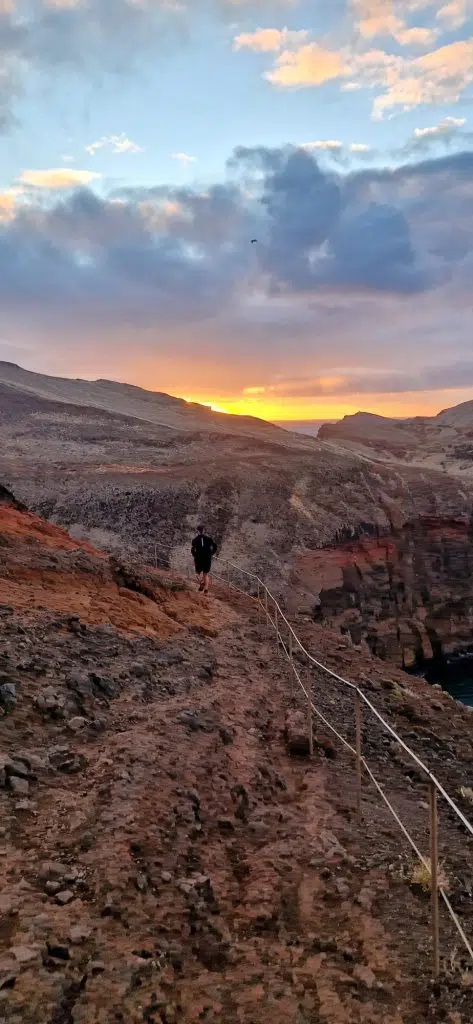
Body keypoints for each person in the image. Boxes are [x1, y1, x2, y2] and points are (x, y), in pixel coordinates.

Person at [191, 525, 217, 594]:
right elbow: (215, 546)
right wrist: (211, 553)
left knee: (197, 574)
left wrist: (195, 555)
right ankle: (206, 590)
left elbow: (193, 549)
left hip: (199, 559)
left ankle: (202, 583)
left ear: (198, 531)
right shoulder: (209, 539)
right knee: (205, 574)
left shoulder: (195, 540)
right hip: (207, 558)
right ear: (203, 531)